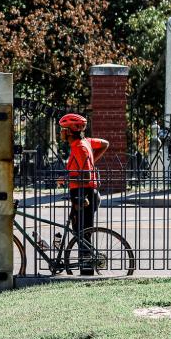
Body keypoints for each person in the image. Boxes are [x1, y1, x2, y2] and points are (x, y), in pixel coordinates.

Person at [59, 114, 109, 274]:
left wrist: (67, 177)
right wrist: (93, 159)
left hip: (83, 193)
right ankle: (85, 266)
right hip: (82, 193)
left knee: (83, 233)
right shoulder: (85, 142)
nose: (60, 133)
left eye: (62, 130)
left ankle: (87, 270)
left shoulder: (79, 146)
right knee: (80, 232)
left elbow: (86, 176)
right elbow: (105, 144)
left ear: (69, 131)